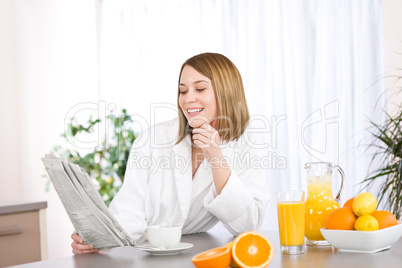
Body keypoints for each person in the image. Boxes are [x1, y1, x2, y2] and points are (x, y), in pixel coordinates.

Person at [71, 52, 270, 254]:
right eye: (182, 91)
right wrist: (98, 239)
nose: (188, 98)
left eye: (200, 88)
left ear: (226, 91)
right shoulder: (153, 138)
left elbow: (246, 225)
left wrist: (216, 157)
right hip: (144, 255)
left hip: (194, 255)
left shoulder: (249, 143)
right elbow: (129, 209)